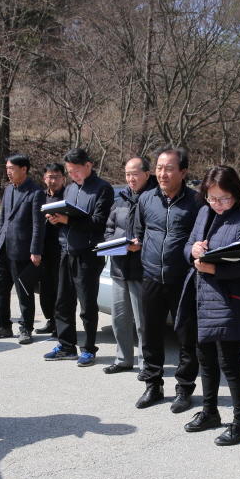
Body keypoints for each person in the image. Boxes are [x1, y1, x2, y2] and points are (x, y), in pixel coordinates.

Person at [178, 165, 240, 445]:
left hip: (228, 300)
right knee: (205, 358)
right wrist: (193, 250)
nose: (218, 204)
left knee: (230, 362)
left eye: (224, 198)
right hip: (201, 296)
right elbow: (187, 245)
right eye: (212, 198)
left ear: (235, 193)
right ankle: (210, 411)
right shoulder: (204, 213)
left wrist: (216, 269)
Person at [131, 144, 201, 413]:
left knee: (187, 337)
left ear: (183, 172)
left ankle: (184, 388)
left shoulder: (196, 202)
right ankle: (153, 385)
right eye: (159, 168)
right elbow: (139, 232)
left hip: (183, 280)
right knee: (151, 335)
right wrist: (135, 244)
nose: (162, 174)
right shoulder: (146, 199)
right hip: (151, 277)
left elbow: (202, 239)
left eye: (169, 169)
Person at [44, 148, 113, 366]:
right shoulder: (70, 189)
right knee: (63, 302)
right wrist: (57, 220)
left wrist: (67, 221)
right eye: (70, 172)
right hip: (66, 250)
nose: (73, 175)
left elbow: (99, 222)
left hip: (88, 253)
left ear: (88, 165)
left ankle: (89, 349)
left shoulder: (102, 188)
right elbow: (67, 221)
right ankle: (66, 346)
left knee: (87, 305)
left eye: (76, 170)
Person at [102, 156, 154, 375]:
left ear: (146, 174)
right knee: (119, 319)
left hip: (141, 270)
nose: (131, 179)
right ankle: (123, 359)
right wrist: (112, 244)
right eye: (127, 174)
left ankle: (146, 364)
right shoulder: (121, 199)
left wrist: (140, 245)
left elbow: (157, 234)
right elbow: (109, 228)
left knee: (143, 323)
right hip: (119, 267)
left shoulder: (155, 198)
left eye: (135, 174)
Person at [0, 153, 45, 344]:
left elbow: (38, 225)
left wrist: (35, 250)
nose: (8, 172)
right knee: (1, 289)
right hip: (5, 248)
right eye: (7, 168)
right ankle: (3, 324)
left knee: (24, 291)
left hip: (23, 249)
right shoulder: (8, 190)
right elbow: (3, 219)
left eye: (12, 168)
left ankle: (26, 328)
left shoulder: (35, 193)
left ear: (24, 169)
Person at [35, 163, 66, 339]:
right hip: (43, 249)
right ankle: (50, 320)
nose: (53, 181)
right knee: (45, 288)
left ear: (63, 178)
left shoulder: (68, 196)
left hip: (61, 249)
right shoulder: (40, 196)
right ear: (44, 178)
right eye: (50, 177)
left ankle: (61, 324)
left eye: (57, 177)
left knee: (60, 289)